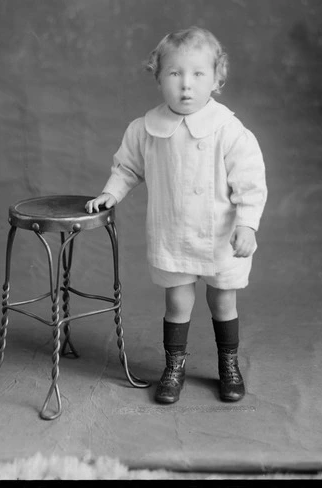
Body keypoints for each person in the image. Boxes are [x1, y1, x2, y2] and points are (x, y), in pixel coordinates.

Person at [86, 27, 267, 404]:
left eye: (198, 74)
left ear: (217, 79)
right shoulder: (146, 129)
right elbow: (127, 168)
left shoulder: (228, 130)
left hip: (221, 237)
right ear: (157, 76)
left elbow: (250, 183)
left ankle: (228, 366)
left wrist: (247, 225)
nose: (186, 85)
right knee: (177, 303)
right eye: (174, 73)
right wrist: (110, 193)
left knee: (222, 302)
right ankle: (174, 367)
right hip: (174, 234)